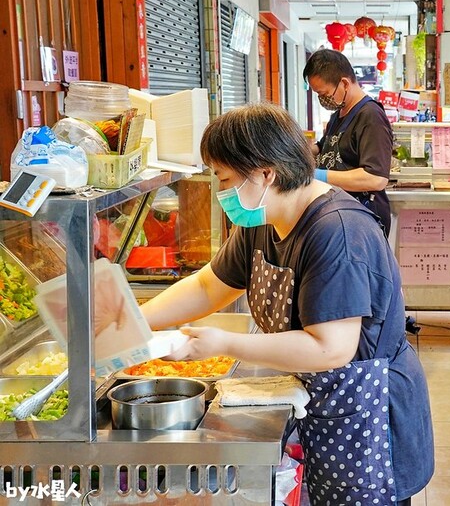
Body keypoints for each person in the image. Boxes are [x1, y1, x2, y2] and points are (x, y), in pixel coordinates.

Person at [141, 103, 434, 505]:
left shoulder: (337, 232)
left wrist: (222, 343)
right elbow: (210, 286)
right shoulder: (262, 219)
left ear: (265, 173)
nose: (222, 192)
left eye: (225, 179)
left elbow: (330, 347)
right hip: (320, 397)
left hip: (366, 414)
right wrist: (134, 322)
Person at [304, 49, 394, 236]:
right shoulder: (339, 114)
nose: (322, 100)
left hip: (363, 219)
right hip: (340, 214)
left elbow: (375, 178)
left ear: (344, 83)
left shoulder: (371, 116)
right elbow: (324, 147)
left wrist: (317, 176)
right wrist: (295, 152)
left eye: (325, 94)